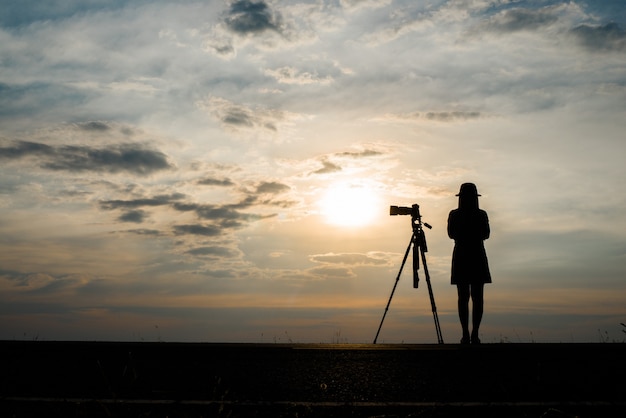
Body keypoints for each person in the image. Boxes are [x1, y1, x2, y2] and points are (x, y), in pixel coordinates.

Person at [447, 183, 491, 344]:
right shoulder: (480, 215)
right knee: (472, 296)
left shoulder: (456, 214)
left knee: (467, 296)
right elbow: (485, 233)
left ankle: (470, 334)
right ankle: (470, 334)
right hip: (474, 253)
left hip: (465, 254)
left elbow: (452, 234)